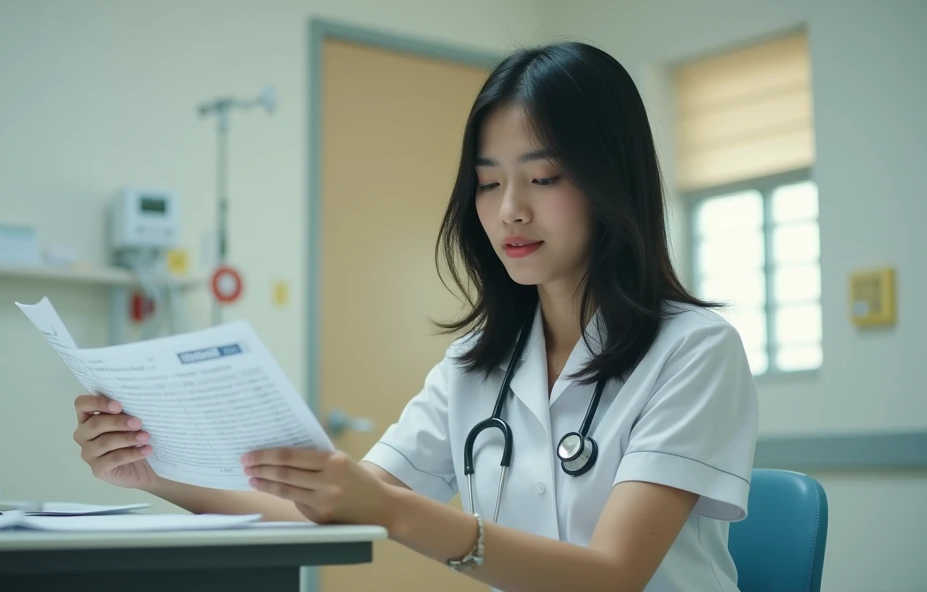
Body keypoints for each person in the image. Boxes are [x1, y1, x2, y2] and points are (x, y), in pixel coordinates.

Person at [72, 41, 758, 592]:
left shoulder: (694, 351)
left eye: (543, 179)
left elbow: (613, 577)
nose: (510, 209)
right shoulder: (476, 366)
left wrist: (392, 511)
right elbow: (324, 513)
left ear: (614, 181)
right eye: (489, 183)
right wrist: (157, 474)